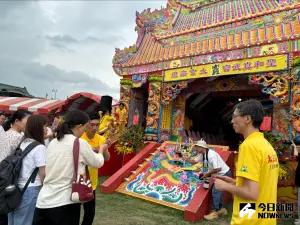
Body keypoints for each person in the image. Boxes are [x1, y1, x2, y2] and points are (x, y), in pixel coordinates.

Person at [33, 110, 105, 225]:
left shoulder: (53, 143)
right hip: (65, 203)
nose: (85, 130)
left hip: (43, 201)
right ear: (79, 126)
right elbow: (98, 162)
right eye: (86, 127)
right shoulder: (79, 143)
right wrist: (101, 150)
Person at [214, 99, 279, 225]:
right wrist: (235, 182)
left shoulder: (249, 146)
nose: (232, 121)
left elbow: (252, 193)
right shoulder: (265, 145)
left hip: (250, 220)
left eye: (234, 116)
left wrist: (225, 186)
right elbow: (260, 184)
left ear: (247, 119)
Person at [8, 115, 47, 225]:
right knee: (24, 221)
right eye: (44, 126)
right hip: (30, 189)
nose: (46, 129)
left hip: (15, 188)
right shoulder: (40, 148)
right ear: (38, 128)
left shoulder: (23, 142)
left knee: (12, 221)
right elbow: (43, 173)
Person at [184, 139, 230, 220]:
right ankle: (222, 209)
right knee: (217, 191)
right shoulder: (203, 154)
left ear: (202, 147)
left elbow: (218, 169)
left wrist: (207, 174)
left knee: (215, 191)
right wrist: (186, 159)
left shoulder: (211, 155)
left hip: (224, 174)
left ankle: (214, 212)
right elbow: (194, 161)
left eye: (197, 147)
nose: (196, 149)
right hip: (219, 174)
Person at [80, 113, 110, 225]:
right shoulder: (79, 137)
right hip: (77, 180)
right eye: (91, 125)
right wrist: (96, 149)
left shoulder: (101, 138)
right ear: (85, 125)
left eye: (97, 125)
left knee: (89, 213)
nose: (94, 128)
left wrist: (104, 149)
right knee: (73, 211)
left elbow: (107, 158)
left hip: (91, 182)